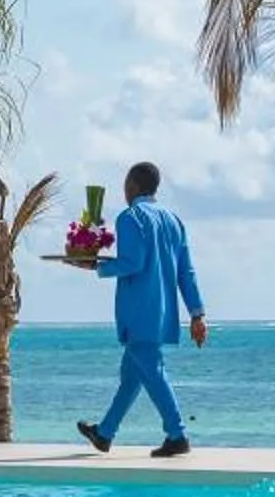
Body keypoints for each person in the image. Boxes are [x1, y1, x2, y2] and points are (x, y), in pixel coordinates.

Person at [79, 160, 208, 458]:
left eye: (125, 184)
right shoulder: (173, 220)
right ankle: (105, 433)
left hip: (139, 312)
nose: (124, 190)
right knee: (132, 376)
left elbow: (131, 263)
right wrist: (197, 313)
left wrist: (96, 266)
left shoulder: (130, 217)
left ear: (133, 186)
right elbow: (185, 271)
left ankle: (177, 434)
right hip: (163, 313)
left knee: (152, 370)